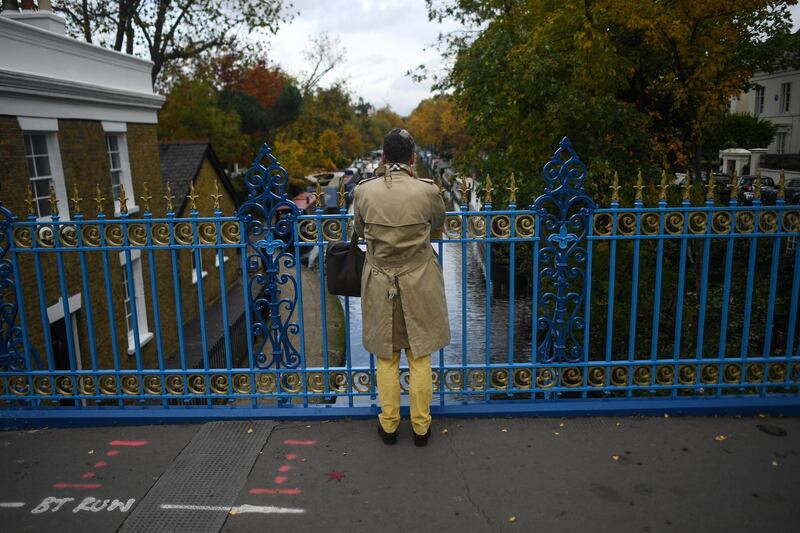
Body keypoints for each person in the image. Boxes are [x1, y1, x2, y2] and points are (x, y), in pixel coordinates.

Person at [352, 128, 450, 447]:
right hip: (419, 279)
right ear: (412, 158)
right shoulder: (427, 190)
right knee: (420, 357)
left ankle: (389, 426)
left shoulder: (364, 192)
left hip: (381, 281)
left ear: (382, 157)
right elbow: (437, 223)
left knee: (387, 358)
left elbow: (360, 228)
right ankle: (421, 428)